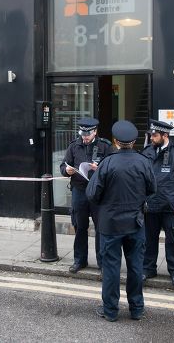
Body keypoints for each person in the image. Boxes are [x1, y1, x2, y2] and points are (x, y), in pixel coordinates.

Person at [86, 120, 156, 322]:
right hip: (135, 223)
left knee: (111, 268)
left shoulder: (107, 163)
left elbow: (92, 194)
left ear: (116, 141)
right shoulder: (144, 162)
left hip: (110, 225)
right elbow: (153, 190)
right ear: (133, 142)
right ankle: (136, 309)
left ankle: (110, 311)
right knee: (135, 267)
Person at [142, 119, 174, 287]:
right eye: (150, 135)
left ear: (165, 135)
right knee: (149, 240)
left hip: (172, 206)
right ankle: (148, 268)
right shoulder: (147, 151)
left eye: (155, 135)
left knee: (173, 240)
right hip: (151, 205)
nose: (151, 138)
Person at [60, 117, 113, 274]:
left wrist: (100, 169)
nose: (84, 137)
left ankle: (102, 263)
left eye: (87, 135)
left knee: (100, 228)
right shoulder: (74, 146)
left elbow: (114, 168)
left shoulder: (105, 146)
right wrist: (66, 171)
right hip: (79, 191)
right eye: (82, 134)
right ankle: (79, 260)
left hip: (98, 193)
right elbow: (63, 166)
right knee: (80, 227)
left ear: (95, 132)